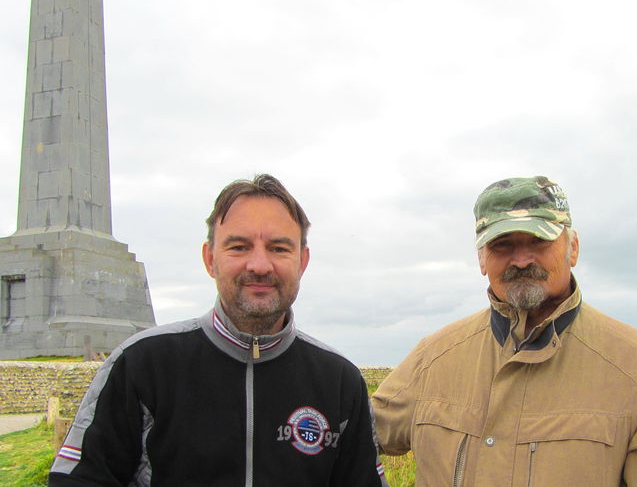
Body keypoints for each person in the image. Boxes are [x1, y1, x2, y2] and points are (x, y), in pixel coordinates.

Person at [49, 174, 387, 486]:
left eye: (279, 248)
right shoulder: (140, 365)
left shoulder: (341, 382)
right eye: (238, 247)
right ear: (210, 259)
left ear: (302, 261)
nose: (259, 264)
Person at [372, 176, 637, 486]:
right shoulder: (433, 356)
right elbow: (345, 437)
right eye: (502, 245)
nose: (521, 260)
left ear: (574, 248)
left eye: (539, 241)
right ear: (482, 259)